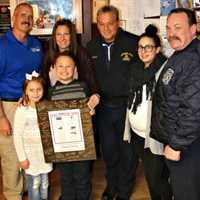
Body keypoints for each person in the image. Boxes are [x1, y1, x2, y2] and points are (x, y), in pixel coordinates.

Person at [87, 5, 138, 200]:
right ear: (97, 24)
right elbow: (88, 79)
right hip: (104, 110)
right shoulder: (90, 47)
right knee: (109, 152)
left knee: (127, 153)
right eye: (102, 24)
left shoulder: (133, 42)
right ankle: (112, 186)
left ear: (118, 22)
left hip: (127, 108)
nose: (106, 28)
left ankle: (124, 190)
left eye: (110, 23)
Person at [151, 8, 200, 200]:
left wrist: (176, 145)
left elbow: (194, 109)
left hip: (188, 146)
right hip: (182, 142)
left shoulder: (194, 59)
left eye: (178, 27)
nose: (171, 33)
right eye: (168, 28)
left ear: (193, 29)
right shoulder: (182, 53)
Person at [123, 25, 172, 200]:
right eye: (140, 47)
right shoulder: (135, 69)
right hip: (138, 134)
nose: (143, 51)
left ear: (157, 49)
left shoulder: (165, 71)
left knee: (156, 178)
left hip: (155, 136)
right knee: (152, 177)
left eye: (148, 47)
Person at [0, 3, 43, 200]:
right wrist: (1, 117)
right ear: (13, 18)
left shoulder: (36, 45)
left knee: (29, 150)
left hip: (30, 104)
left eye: (29, 15)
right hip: (8, 105)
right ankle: (13, 195)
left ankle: (27, 189)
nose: (26, 19)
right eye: (22, 14)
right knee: (11, 155)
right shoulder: (2, 45)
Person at [48, 51, 99, 200]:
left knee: (82, 177)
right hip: (62, 146)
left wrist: (90, 112)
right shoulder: (51, 92)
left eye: (68, 66)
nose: (65, 70)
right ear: (55, 69)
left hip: (82, 144)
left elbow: (88, 110)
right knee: (66, 178)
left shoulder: (83, 87)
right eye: (61, 66)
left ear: (75, 69)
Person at [13, 71, 52, 200]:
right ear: (26, 92)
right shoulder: (22, 110)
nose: (35, 93)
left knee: (45, 183)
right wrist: (22, 158)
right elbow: (17, 136)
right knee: (34, 184)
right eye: (32, 90)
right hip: (30, 157)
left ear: (43, 90)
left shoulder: (46, 107)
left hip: (44, 155)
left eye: (39, 89)